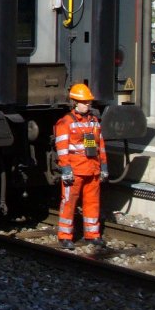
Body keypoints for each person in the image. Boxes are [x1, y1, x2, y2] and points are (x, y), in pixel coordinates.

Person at [54, 83, 108, 249]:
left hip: (92, 169)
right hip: (75, 171)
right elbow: (62, 149)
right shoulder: (66, 123)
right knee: (69, 203)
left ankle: (92, 234)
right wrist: (66, 169)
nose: (88, 105)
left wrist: (104, 166)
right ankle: (65, 236)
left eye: (89, 102)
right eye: (84, 102)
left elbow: (100, 146)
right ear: (74, 103)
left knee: (92, 203)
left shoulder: (93, 122)